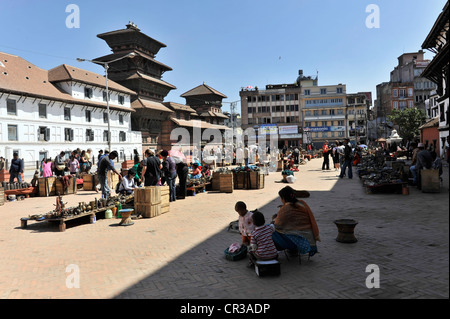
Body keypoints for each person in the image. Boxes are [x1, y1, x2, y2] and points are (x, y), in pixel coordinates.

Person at [272, 186, 320, 257]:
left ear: (284, 198)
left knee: (270, 231)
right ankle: (293, 250)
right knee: (289, 229)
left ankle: (290, 249)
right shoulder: (302, 203)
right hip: (309, 240)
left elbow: (277, 224)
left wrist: (274, 219)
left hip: (298, 241)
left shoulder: (286, 208)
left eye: (281, 198)